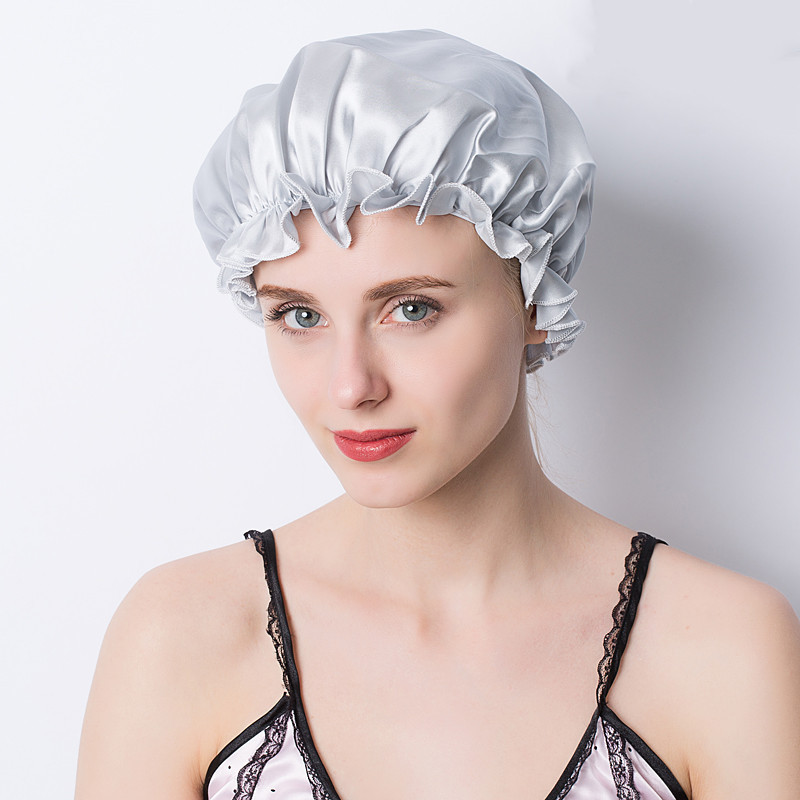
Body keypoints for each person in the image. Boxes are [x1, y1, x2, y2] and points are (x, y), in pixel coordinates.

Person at [75, 29, 800, 800]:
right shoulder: (177, 637)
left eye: (411, 308)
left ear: (534, 300)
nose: (351, 387)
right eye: (300, 315)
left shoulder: (722, 650)